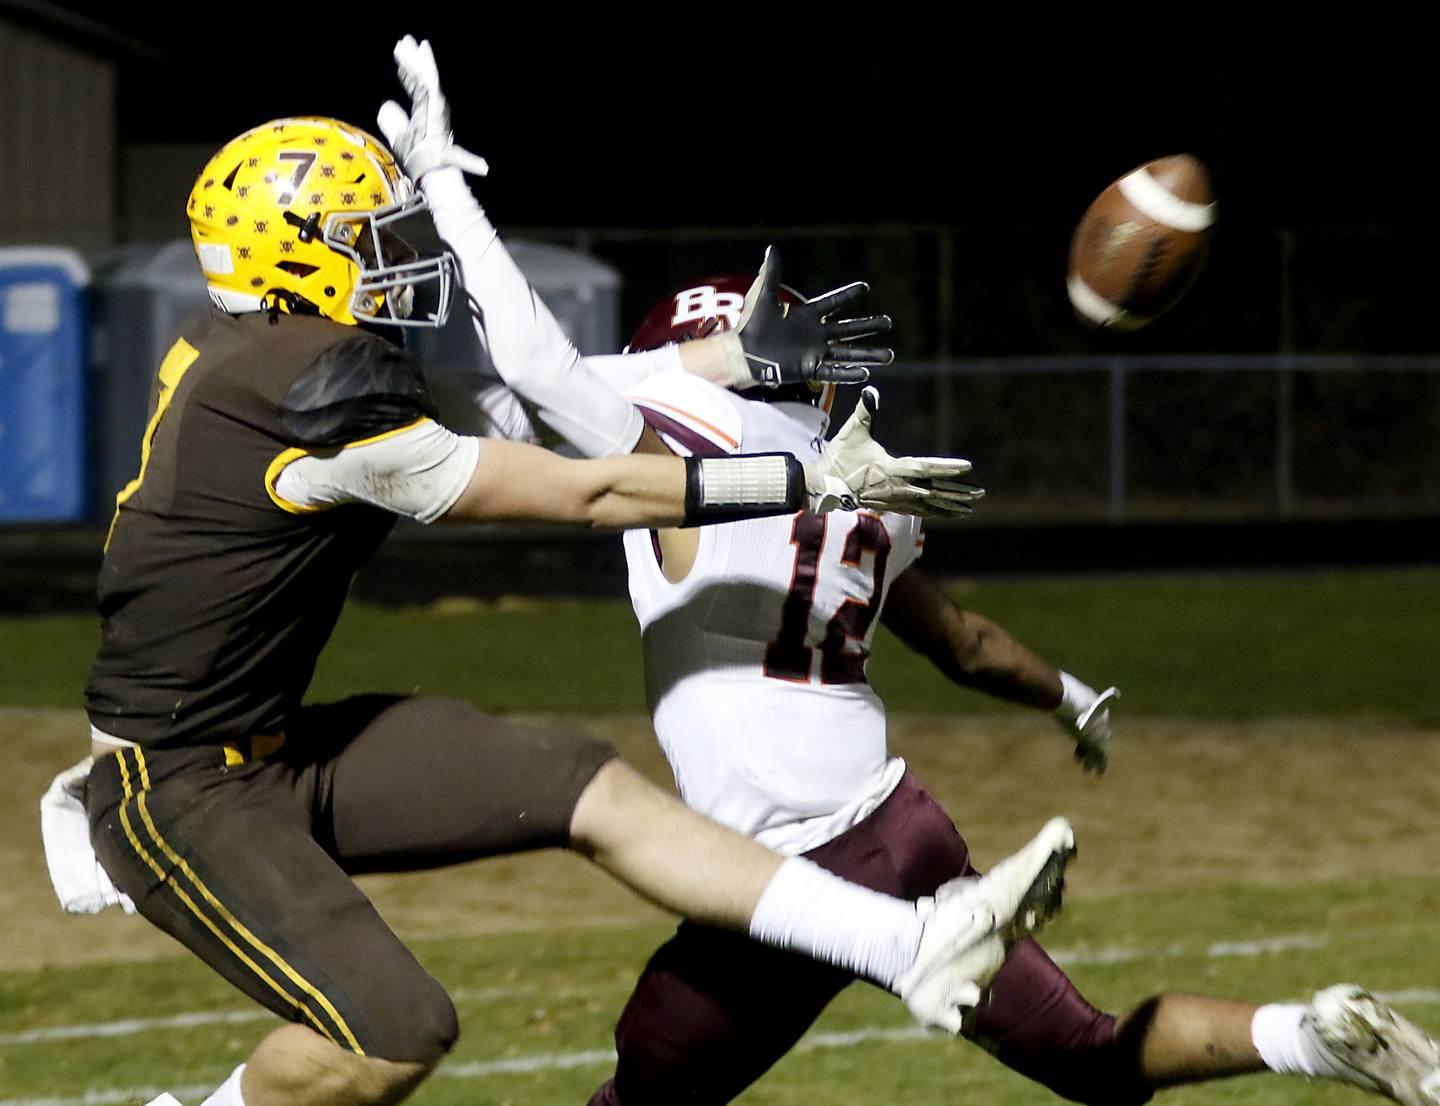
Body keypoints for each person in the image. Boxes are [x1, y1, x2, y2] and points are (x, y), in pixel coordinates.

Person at [60, 108, 1081, 1106]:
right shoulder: (313, 410)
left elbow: (539, 394)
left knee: (586, 784)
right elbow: (590, 488)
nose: (394, 258)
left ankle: (911, 947)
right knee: (394, 1032)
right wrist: (799, 478)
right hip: (177, 784)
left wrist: (726, 363)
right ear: (292, 258)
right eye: (367, 239)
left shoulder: (271, 354)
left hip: (270, 746)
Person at [553, 271, 1440, 1106]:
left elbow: (549, 381)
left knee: (642, 1088)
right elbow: (967, 645)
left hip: (784, 866)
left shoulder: (677, 463)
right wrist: (1071, 698)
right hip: (898, 834)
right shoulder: (869, 487)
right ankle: (1312, 1036)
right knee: (1090, 1054)